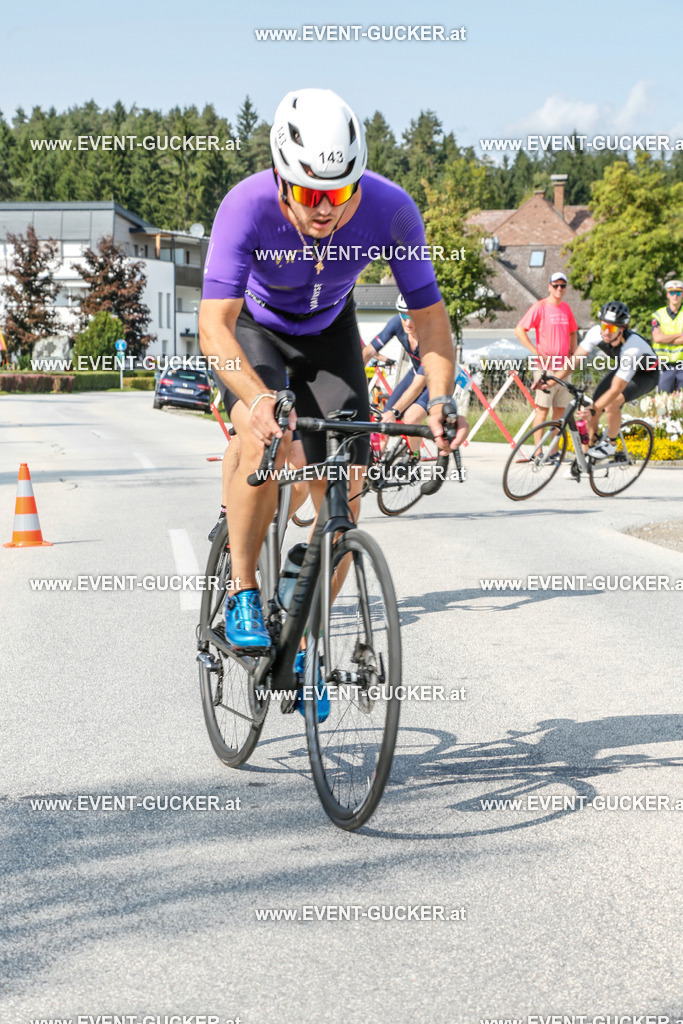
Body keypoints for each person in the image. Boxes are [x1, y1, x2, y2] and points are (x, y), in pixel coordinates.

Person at [199, 88, 456, 651]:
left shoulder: (392, 209)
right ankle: (244, 590)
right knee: (259, 431)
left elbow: (431, 321)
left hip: (329, 331)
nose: (324, 207)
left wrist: (440, 400)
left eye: (339, 191)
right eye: (309, 192)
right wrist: (257, 398)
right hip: (255, 329)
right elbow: (214, 326)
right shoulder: (245, 206)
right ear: (279, 176)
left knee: (346, 482)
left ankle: (305, 637)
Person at [362, 293, 468, 457]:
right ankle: (375, 467)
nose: (408, 322)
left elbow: (418, 386)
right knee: (384, 419)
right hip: (416, 373)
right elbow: (369, 351)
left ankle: (414, 455)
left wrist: (395, 412)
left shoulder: (430, 336)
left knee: (410, 417)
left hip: (438, 378)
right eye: (404, 315)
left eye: (413, 316)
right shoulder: (397, 323)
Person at [560, 300, 659, 462]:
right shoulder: (596, 333)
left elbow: (615, 390)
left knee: (611, 403)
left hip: (645, 375)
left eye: (611, 328)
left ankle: (611, 443)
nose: (606, 331)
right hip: (624, 370)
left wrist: (594, 408)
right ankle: (585, 459)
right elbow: (574, 361)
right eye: (603, 325)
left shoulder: (632, 346)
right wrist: (550, 381)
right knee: (592, 406)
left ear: (622, 329)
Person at [514, 272, 578, 442]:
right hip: (546, 368)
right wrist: (535, 351)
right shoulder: (540, 306)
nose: (559, 289)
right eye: (555, 285)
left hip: (564, 368)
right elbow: (520, 330)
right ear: (549, 287)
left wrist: (573, 353)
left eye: (562, 286)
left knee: (560, 411)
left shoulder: (566, 308)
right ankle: (538, 450)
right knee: (542, 410)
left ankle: (553, 451)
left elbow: (573, 331)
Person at [651, 278, 683, 393]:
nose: (675, 296)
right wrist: (679, 335)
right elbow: (657, 338)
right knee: (663, 404)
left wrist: (666, 338)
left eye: (678, 292)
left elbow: (661, 338)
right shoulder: (659, 314)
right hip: (665, 366)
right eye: (672, 292)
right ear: (667, 295)